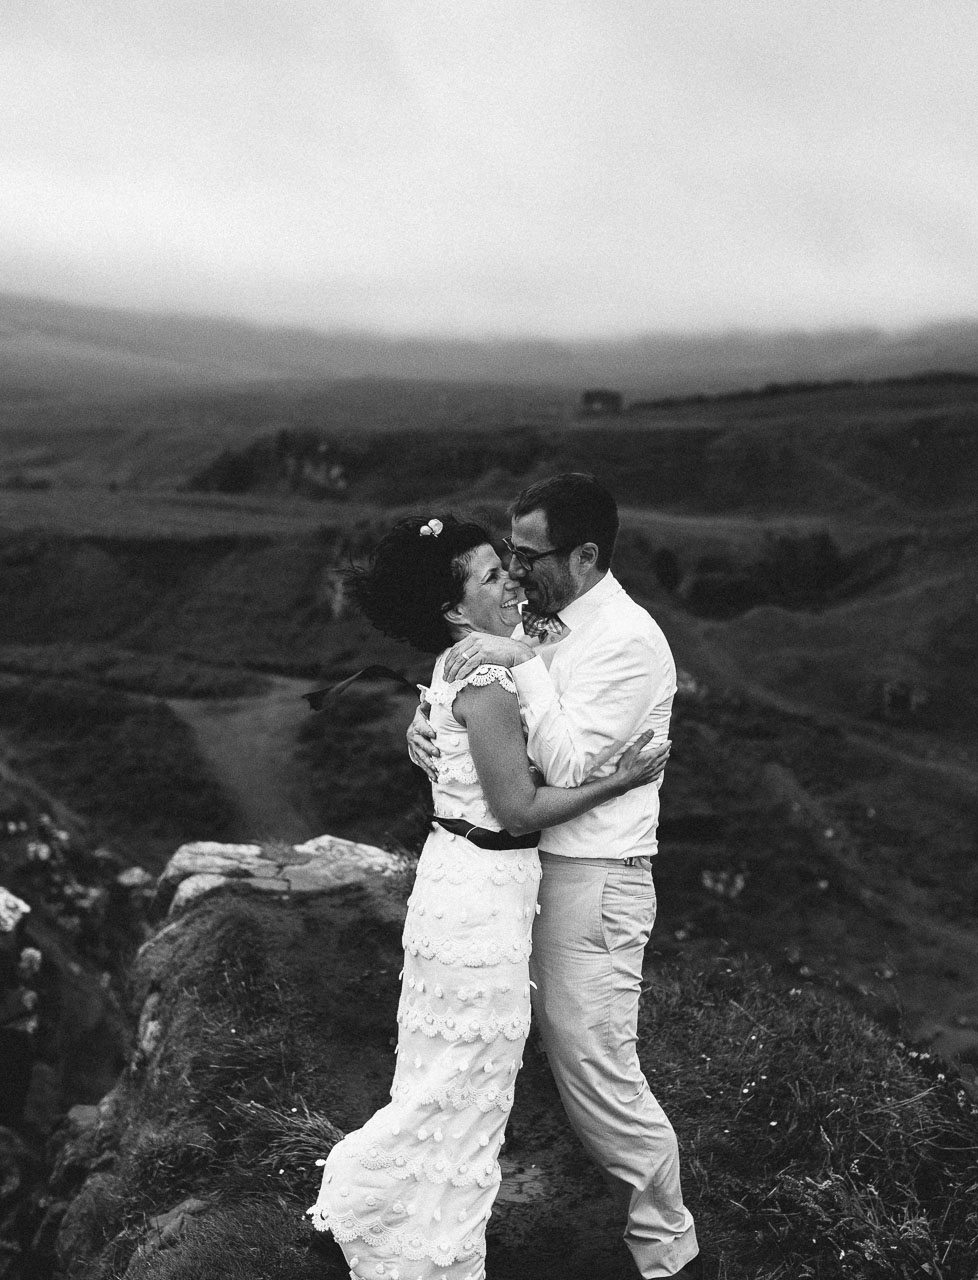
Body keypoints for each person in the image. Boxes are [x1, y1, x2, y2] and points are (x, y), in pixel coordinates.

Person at [309, 513, 669, 1280]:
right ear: (452, 609)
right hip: (483, 897)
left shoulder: (457, 664)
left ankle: (393, 1219)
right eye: (492, 576)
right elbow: (521, 810)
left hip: (459, 883)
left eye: (509, 567)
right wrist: (625, 780)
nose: (512, 582)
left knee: (445, 1069)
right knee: (466, 1076)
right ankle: (411, 1239)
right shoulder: (488, 679)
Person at [414, 473, 699, 1279]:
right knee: (526, 1046)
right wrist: (433, 720)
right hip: (531, 872)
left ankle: (669, 1252)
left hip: (596, 877)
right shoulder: (545, 621)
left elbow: (567, 758)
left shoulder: (629, 643)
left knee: (595, 1063)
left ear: (584, 554)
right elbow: (492, 707)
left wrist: (515, 662)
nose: (515, 568)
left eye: (528, 554)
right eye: (509, 551)